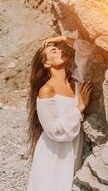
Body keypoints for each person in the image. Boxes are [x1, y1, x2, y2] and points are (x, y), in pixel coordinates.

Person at [26, 36, 93, 191]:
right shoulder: (46, 90)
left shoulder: (75, 82)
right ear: (47, 63)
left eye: (59, 48)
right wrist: (79, 108)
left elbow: (87, 49)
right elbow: (53, 131)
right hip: (52, 154)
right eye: (53, 51)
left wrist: (61, 38)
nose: (60, 50)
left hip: (72, 151)